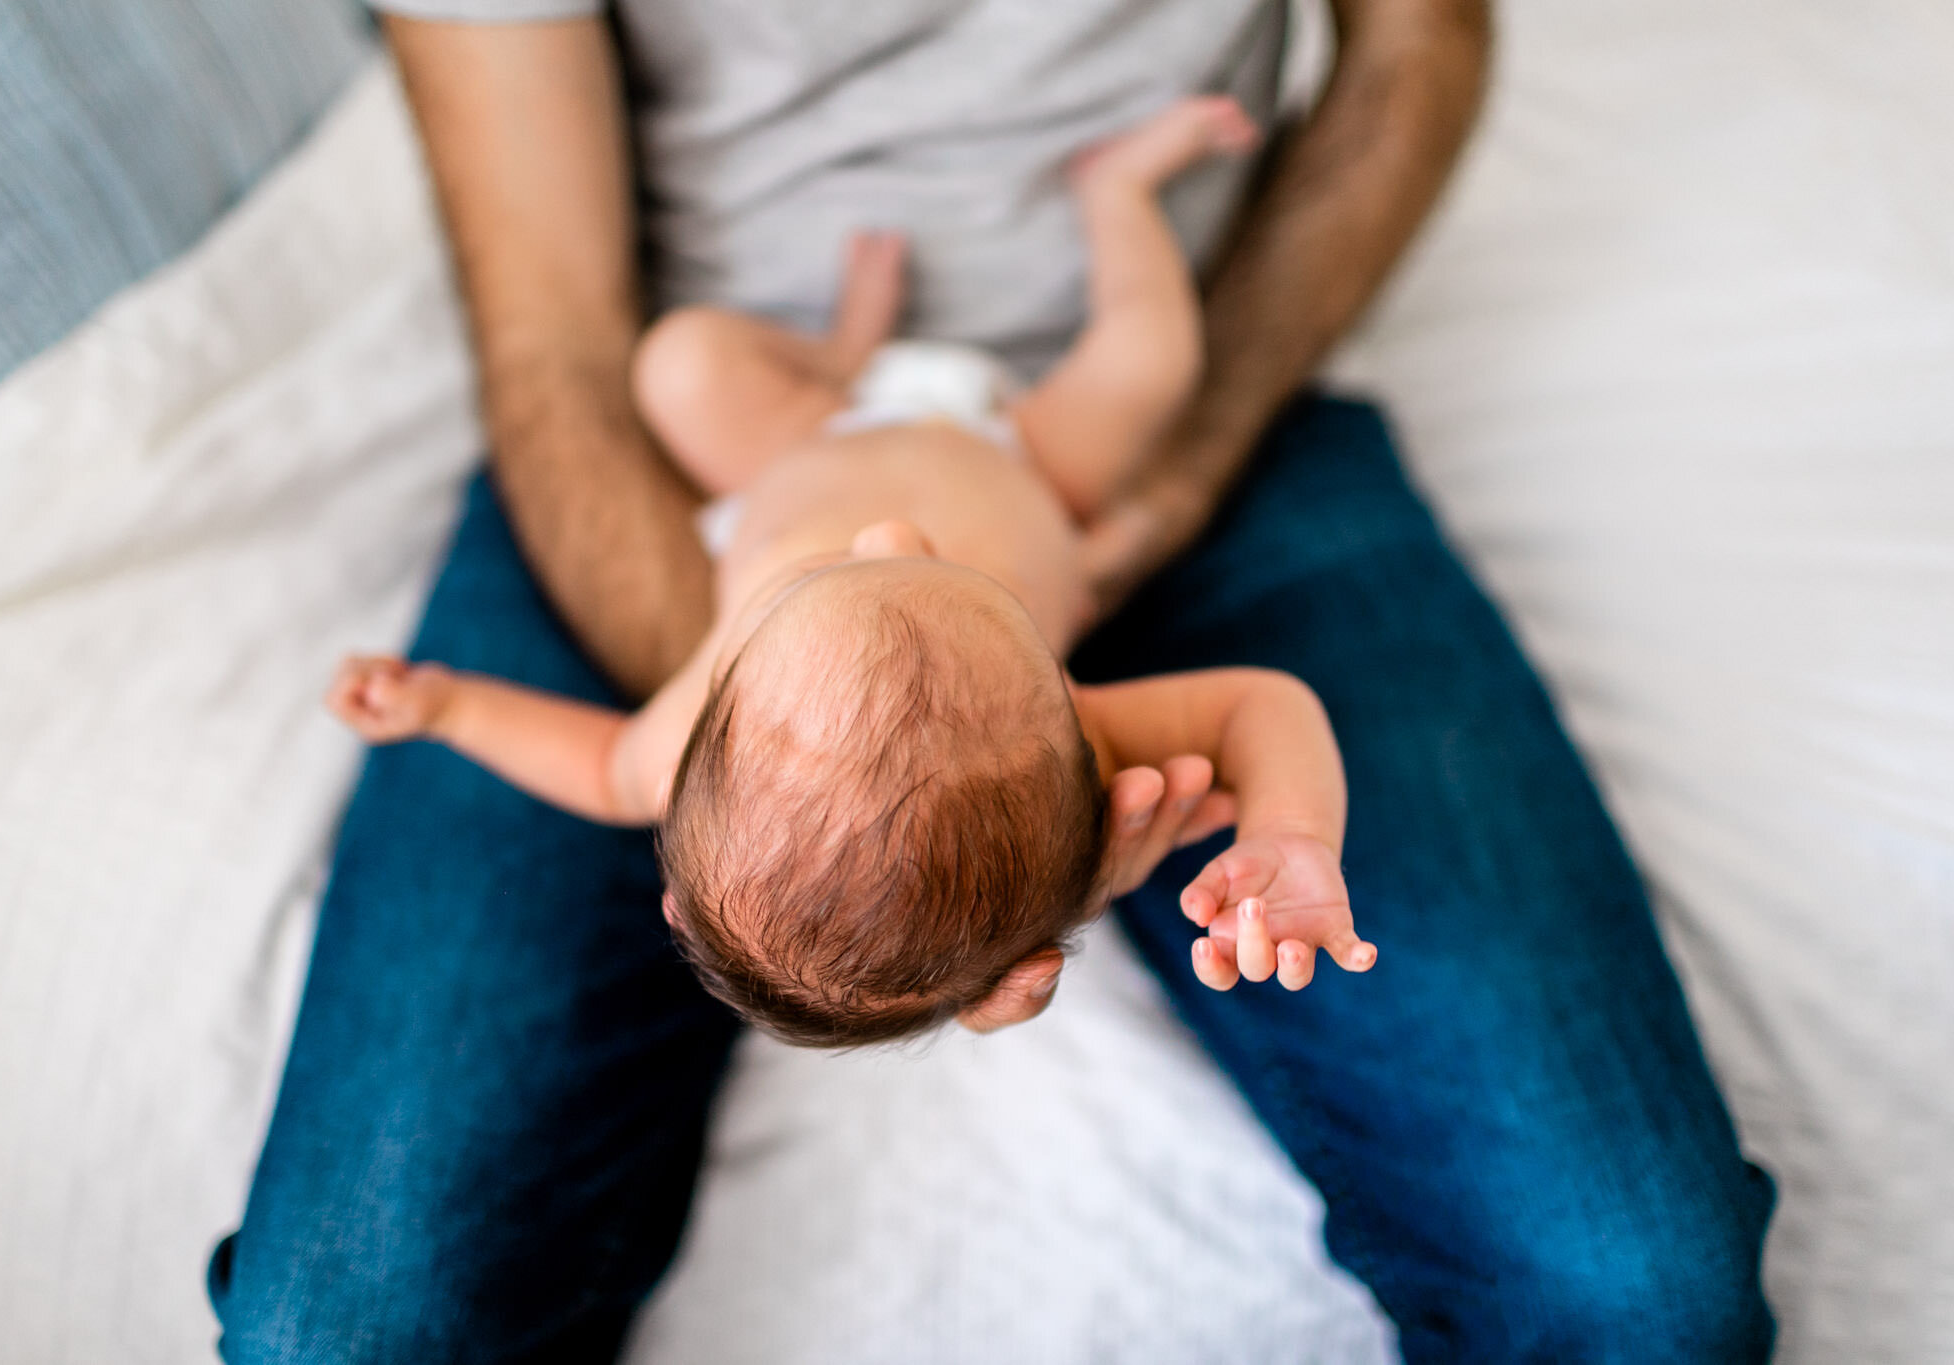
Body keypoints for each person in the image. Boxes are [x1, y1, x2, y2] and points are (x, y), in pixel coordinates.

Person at [208, 1, 1778, 1360]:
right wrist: (837, 753)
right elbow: (558, 336)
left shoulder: (920, 702)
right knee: (339, 1333)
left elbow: (1418, 43)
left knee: (1641, 1297)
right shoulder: (850, 687)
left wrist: (1146, 538)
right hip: (695, 467)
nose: (891, 534)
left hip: (1121, 435)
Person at [323, 97, 1375, 1046]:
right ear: (1060, 705)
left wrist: (451, 707)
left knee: (676, 363)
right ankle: (1116, 193)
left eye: (824, 575)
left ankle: (837, 353)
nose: (890, 533)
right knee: (1153, 362)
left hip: (805, 442)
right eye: (970, 591)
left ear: (677, 903)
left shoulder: (687, 733)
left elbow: (603, 772)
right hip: (1027, 462)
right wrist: (1289, 831)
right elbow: (1261, 706)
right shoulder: (1071, 744)